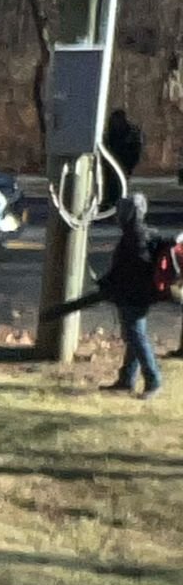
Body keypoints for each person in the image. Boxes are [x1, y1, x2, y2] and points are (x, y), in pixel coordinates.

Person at [99, 192, 166, 397]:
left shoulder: (135, 237)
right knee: (133, 336)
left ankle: (153, 380)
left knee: (136, 336)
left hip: (134, 295)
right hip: (138, 294)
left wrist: (109, 282)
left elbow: (130, 268)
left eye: (122, 211)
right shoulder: (142, 234)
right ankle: (126, 380)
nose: (118, 215)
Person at [103, 107, 144, 211]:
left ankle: (117, 204)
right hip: (110, 163)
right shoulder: (111, 131)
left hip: (124, 161)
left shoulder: (131, 132)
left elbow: (136, 148)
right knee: (109, 185)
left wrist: (129, 163)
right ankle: (109, 203)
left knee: (118, 184)